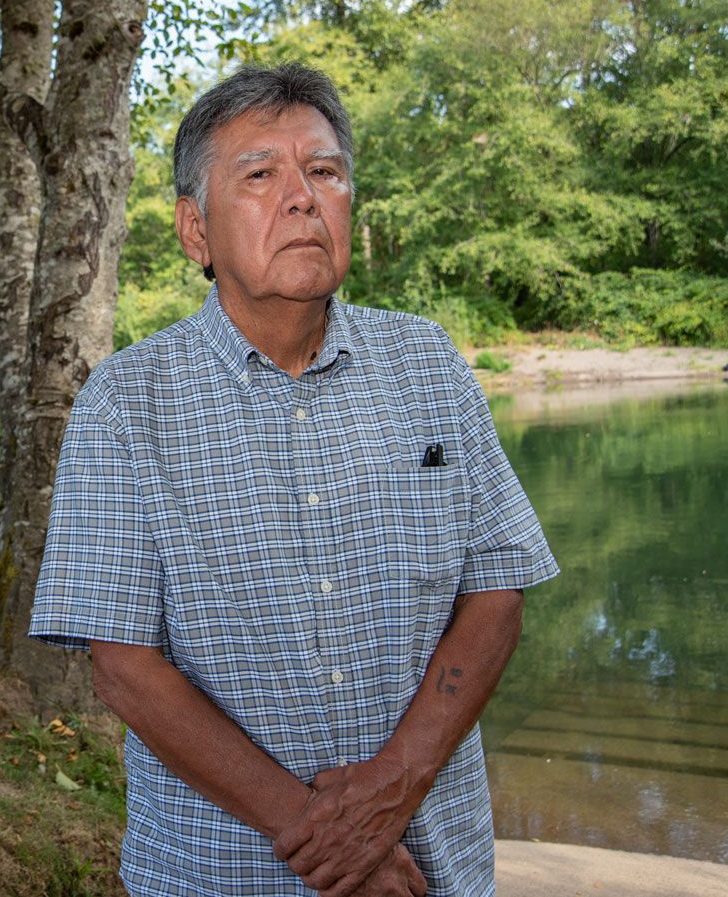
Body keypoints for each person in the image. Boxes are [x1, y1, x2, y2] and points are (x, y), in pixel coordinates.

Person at [28, 62, 558, 897]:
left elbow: (496, 589)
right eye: (262, 175)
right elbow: (123, 666)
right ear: (194, 230)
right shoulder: (128, 403)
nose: (303, 196)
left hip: (438, 868)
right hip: (223, 876)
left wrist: (396, 788)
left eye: (324, 171)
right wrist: (332, 841)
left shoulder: (427, 362)